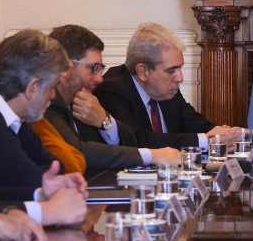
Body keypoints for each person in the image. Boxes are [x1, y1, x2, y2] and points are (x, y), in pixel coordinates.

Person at [41, 25, 180, 170]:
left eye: (100, 69)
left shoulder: (82, 99)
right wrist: (151, 156)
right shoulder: (44, 102)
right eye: (94, 68)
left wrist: (104, 120)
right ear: (64, 66)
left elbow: (131, 142)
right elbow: (76, 152)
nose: (99, 78)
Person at [94, 22, 235, 149]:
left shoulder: (167, 90)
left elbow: (196, 124)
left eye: (180, 68)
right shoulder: (111, 90)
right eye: (171, 70)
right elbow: (137, 140)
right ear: (143, 71)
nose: (180, 78)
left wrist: (228, 135)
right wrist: (206, 140)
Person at [0, 30, 69, 188]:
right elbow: (30, 182)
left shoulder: (12, 114)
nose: (53, 95)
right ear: (32, 87)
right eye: (52, 87)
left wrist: (46, 182)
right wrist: (45, 183)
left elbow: (55, 168)